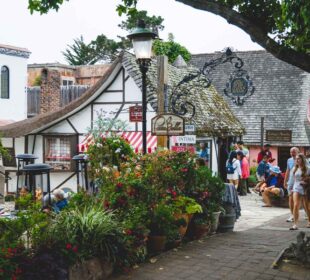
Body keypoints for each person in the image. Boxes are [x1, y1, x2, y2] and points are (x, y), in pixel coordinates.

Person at [290, 153, 310, 230]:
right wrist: (290, 188)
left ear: (302, 159)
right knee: (296, 205)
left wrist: (306, 181)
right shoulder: (294, 168)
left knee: (306, 206)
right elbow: (292, 180)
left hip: (305, 188)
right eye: (296, 159)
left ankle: (309, 221)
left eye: (299, 158)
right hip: (296, 187)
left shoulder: (308, 168)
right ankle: (295, 224)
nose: (297, 160)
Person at [284, 147, 299, 222]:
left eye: (294, 152)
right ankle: (292, 215)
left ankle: (306, 213)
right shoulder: (289, 160)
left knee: (300, 199)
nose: (292, 154)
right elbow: (287, 170)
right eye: (291, 152)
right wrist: (285, 181)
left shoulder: (301, 160)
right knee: (290, 198)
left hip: (299, 182)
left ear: (297, 152)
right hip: (290, 181)